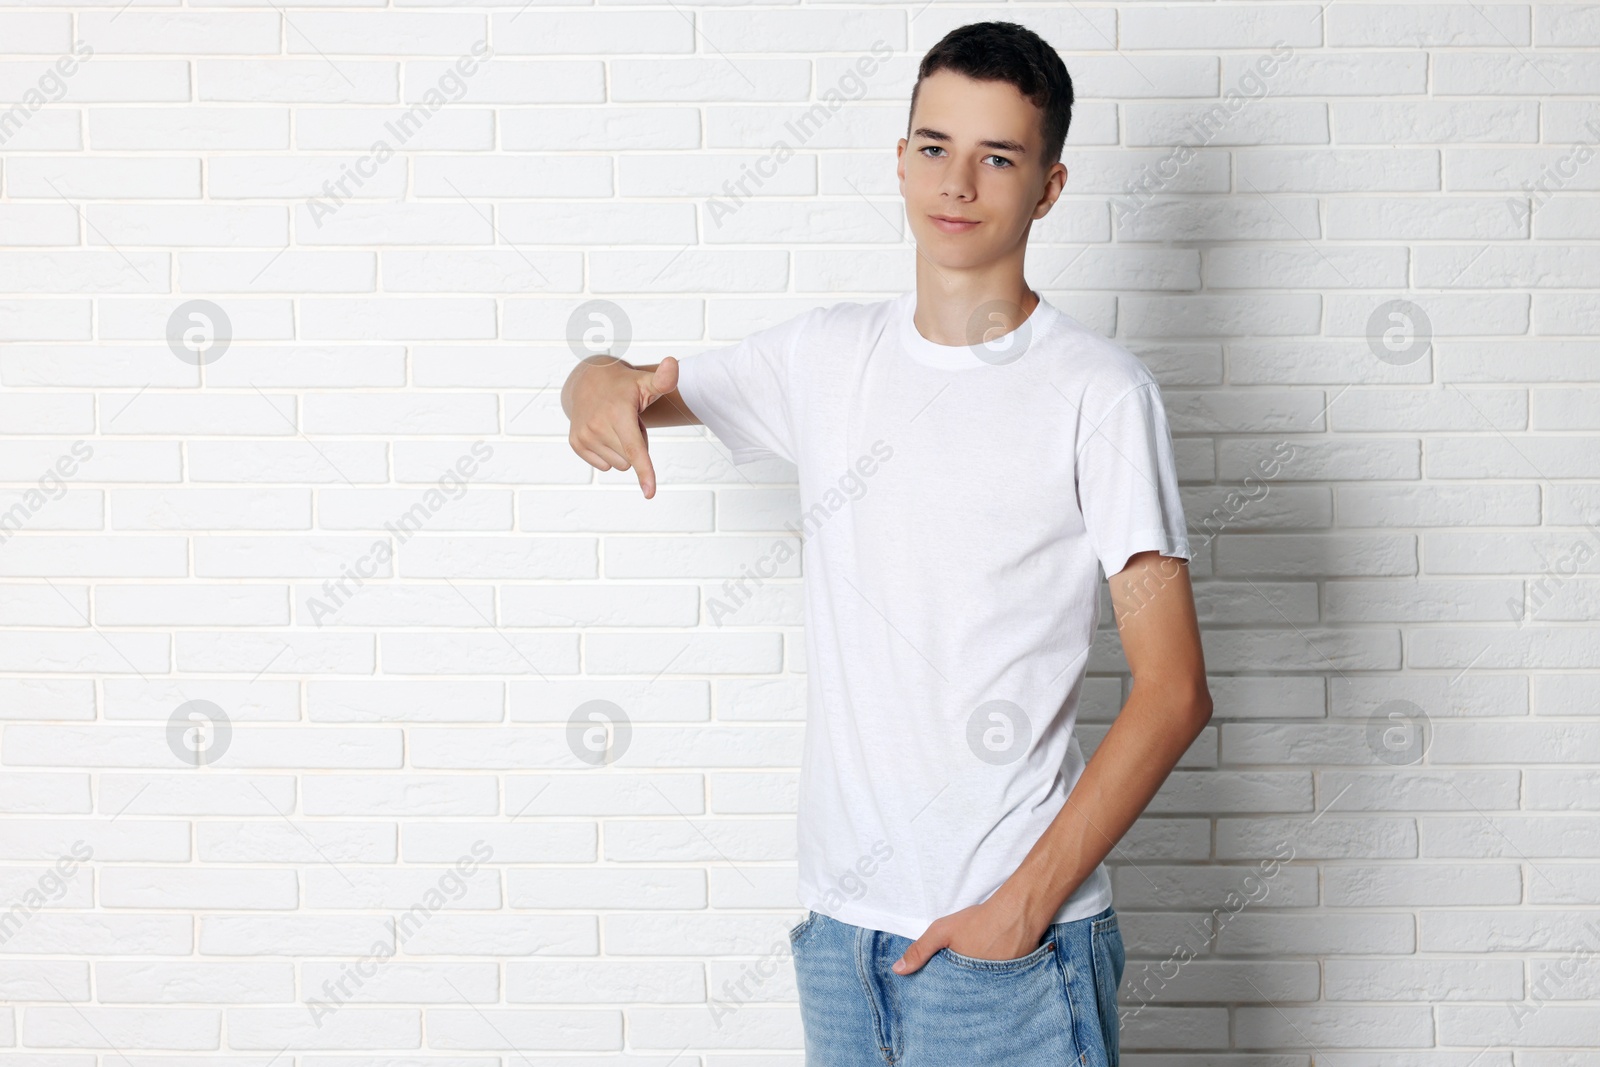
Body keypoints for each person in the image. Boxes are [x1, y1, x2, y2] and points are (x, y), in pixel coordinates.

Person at [561, 20, 1211, 1067]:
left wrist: (1018, 909)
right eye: (932, 146)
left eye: (997, 157)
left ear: (1047, 187)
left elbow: (1172, 688)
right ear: (900, 156)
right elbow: (630, 380)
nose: (956, 182)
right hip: (842, 943)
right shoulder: (826, 357)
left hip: (1014, 956)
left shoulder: (1097, 394)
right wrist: (593, 381)